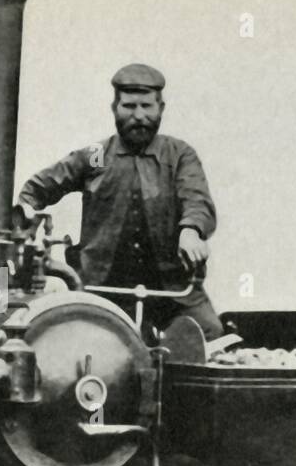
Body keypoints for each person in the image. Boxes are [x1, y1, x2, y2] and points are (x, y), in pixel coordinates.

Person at [17, 63, 222, 341]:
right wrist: (25, 219)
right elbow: (37, 189)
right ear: (114, 108)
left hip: (173, 290)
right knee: (74, 347)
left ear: (161, 108)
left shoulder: (179, 156)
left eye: (147, 106)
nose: (139, 116)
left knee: (210, 335)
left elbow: (197, 199)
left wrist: (191, 230)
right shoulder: (97, 155)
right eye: (129, 106)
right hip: (103, 290)